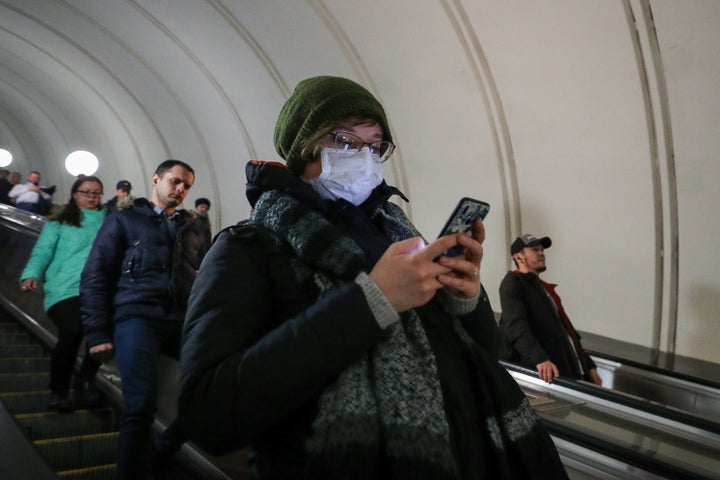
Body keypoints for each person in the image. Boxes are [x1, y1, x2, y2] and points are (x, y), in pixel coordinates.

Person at [178, 76, 568, 480]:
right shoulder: (249, 248)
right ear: (304, 147)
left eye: (374, 145)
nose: (363, 157)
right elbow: (209, 412)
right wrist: (371, 302)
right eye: (346, 141)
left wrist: (465, 302)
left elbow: (484, 356)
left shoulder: (398, 234)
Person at [80, 160, 208, 479]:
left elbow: (204, 279)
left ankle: (161, 450)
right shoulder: (124, 220)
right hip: (137, 316)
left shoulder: (193, 229)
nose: (180, 189)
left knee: (212, 390)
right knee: (140, 406)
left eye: (187, 186)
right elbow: (96, 274)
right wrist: (97, 332)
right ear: (156, 179)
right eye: (175, 181)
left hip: (181, 321)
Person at [20, 176, 105, 412]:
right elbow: (43, 251)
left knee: (99, 333)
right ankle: (58, 391)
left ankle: (85, 382)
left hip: (97, 289)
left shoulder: (109, 222)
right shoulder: (59, 221)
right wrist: (32, 273)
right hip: (63, 287)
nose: (91, 196)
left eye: (97, 193)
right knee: (72, 330)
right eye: (86, 192)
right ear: (75, 194)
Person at [498, 233, 602, 385]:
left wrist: (589, 366)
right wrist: (539, 358)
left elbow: (566, 332)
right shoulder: (513, 283)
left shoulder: (543, 288)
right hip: (547, 377)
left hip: (569, 373)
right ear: (518, 257)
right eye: (534, 250)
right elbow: (515, 325)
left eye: (542, 250)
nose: (541, 253)